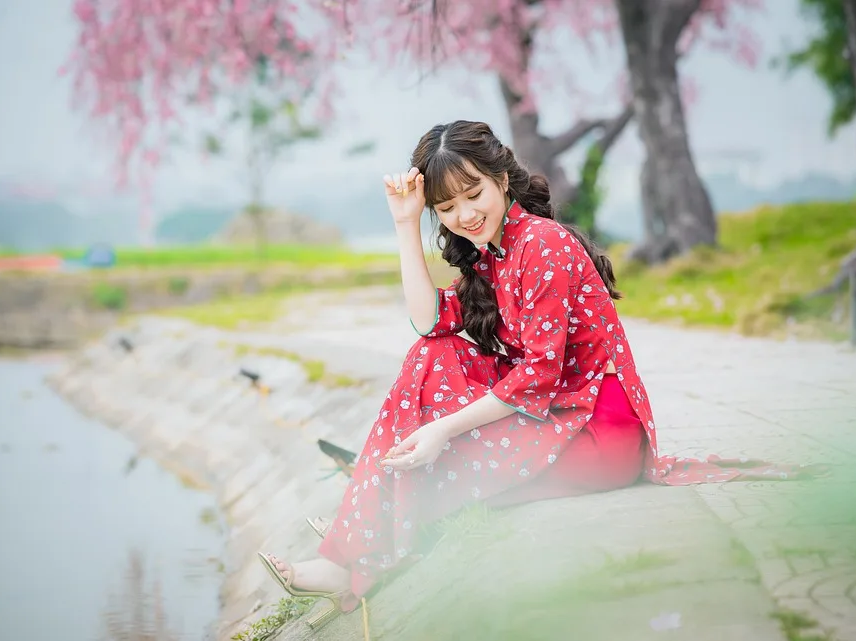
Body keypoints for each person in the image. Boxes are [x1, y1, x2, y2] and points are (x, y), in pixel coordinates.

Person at [258, 120, 811, 627]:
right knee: (431, 358)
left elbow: (539, 377)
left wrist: (441, 430)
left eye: (474, 195)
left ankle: (352, 554)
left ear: (502, 179)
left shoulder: (541, 244)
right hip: (559, 419)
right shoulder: (492, 254)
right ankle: (358, 541)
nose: (464, 215)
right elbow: (427, 325)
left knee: (440, 458)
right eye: (446, 208)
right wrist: (406, 223)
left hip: (600, 432)